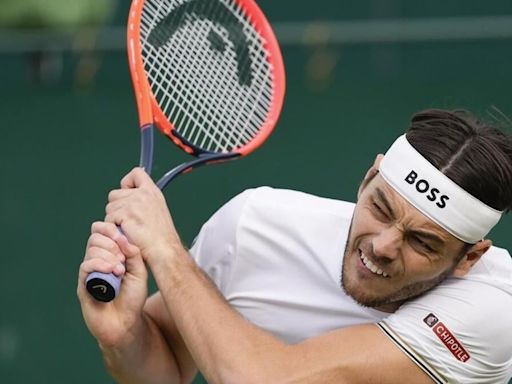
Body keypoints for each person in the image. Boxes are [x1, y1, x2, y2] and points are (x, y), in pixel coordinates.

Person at [78, 108, 512, 383]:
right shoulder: (254, 224)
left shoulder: (495, 309)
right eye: (380, 207)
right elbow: (165, 371)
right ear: (367, 180)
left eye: (421, 241)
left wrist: (168, 254)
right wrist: (123, 336)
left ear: (468, 259)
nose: (382, 245)